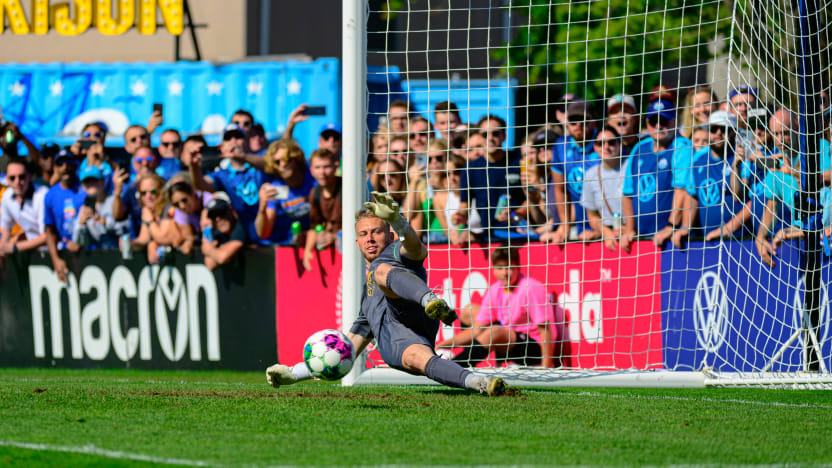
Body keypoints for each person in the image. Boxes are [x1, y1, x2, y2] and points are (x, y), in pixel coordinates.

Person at [265, 191, 506, 396]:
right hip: (398, 343)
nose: (370, 238)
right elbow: (346, 348)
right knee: (418, 358)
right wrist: (294, 373)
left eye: (376, 231)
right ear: (357, 243)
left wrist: (399, 222)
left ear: (389, 236)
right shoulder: (367, 300)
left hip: (415, 309)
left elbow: (416, 249)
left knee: (381, 271)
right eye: (363, 234)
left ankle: (429, 299)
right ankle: (480, 383)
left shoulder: (394, 252)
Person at [437, 246, 556, 368]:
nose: (505, 273)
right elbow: (476, 330)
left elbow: (545, 330)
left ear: (518, 267)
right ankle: (465, 361)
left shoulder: (531, 288)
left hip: (534, 348)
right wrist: (443, 345)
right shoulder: (495, 289)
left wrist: (546, 366)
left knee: (495, 331)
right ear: (493, 269)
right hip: (510, 342)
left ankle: (453, 366)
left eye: (510, 267)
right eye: (500, 268)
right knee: (470, 311)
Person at [188, 126, 271, 245]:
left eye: (238, 137)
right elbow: (201, 185)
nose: (233, 141)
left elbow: (271, 164)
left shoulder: (259, 160)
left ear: (247, 141)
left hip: (275, 233)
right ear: (222, 145)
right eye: (228, 138)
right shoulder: (223, 174)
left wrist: (243, 156)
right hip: (250, 237)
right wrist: (194, 166)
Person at [452, 114, 525, 240]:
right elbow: (465, 204)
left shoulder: (518, 160)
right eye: (485, 135)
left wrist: (516, 214)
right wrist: (460, 216)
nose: (490, 138)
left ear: (504, 136)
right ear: (480, 138)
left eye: (495, 134)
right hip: (488, 237)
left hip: (520, 234)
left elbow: (533, 199)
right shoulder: (470, 168)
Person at [686, 110, 752, 242]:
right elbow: (692, 195)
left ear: (734, 133)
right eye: (713, 129)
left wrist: (735, 166)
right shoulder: (699, 158)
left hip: (739, 240)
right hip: (707, 240)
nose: (718, 133)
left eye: (724, 129)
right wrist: (685, 227)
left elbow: (738, 196)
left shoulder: (744, 157)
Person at [544, 101, 599, 243]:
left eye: (583, 120)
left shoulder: (605, 143)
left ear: (592, 121)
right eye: (573, 121)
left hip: (606, 223)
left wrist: (602, 228)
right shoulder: (560, 146)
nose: (578, 125)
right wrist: (565, 225)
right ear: (567, 123)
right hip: (580, 224)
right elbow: (560, 189)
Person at [255, 139, 315, 245]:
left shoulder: (314, 176)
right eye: (277, 162)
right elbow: (263, 233)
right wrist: (262, 207)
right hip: (292, 244)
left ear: (296, 159)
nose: (283, 165)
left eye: (286, 159)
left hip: (320, 237)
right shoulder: (276, 189)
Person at [580, 126, 629, 251]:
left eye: (611, 143)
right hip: (609, 238)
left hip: (635, 235)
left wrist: (629, 228)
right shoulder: (590, 175)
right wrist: (605, 231)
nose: (606, 147)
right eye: (600, 143)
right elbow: (591, 214)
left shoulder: (631, 167)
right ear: (595, 147)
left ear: (620, 144)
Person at [44, 150, 85, 283]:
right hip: (66, 254)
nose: (65, 167)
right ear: (55, 168)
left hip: (90, 251)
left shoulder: (86, 188)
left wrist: (81, 242)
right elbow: (50, 231)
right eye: (60, 163)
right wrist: (55, 259)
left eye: (69, 162)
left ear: (75, 165)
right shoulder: (50, 195)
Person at [72, 165, 129, 250]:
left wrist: (106, 222)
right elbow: (81, 242)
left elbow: (126, 228)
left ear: (102, 181)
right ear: (83, 186)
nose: (91, 184)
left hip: (118, 253)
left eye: (94, 180)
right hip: (98, 258)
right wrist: (81, 225)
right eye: (87, 182)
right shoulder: (84, 208)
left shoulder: (115, 200)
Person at [303, 148, 342, 271]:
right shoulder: (315, 193)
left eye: (326, 167)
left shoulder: (347, 187)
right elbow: (314, 226)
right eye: (318, 167)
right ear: (311, 170)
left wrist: (335, 237)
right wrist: (307, 252)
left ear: (336, 166)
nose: (322, 172)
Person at [0, 158, 47, 255]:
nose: (17, 182)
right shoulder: (7, 196)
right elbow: (5, 229)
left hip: (54, 249)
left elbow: (47, 236)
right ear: (7, 180)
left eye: (21, 177)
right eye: (12, 178)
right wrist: (3, 248)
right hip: (29, 249)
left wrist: (15, 248)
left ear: (30, 177)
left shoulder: (42, 195)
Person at [202, 193, 249, 271]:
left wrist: (209, 250)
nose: (218, 219)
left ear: (232, 211)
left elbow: (222, 258)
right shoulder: (218, 233)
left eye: (221, 213)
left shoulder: (242, 225)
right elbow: (209, 264)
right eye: (213, 216)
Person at [167, 177, 212, 255]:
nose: (182, 206)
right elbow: (181, 240)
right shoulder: (179, 210)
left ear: (192, 193)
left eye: (184, 200)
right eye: (176, 204)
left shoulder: (208, 199)